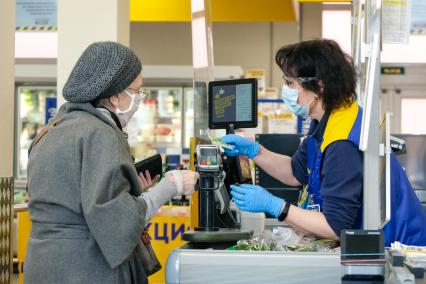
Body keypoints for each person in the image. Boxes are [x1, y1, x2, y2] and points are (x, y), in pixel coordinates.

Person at [25, 41, 199, 284]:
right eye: (137, 91)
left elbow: (76, 198)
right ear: (116, 95)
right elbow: (117, 223)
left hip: (42, 264)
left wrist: (130, 190)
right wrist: (171, 185)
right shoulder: (101, 133)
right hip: (86, 267)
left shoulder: (50, 130)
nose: (139, 99)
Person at [222, 39, 426, 246]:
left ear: (319, 86)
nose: (287, 90)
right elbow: (295, 172)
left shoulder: (342, 142)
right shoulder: (332, 118)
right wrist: (256, 151)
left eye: (290, 83)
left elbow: (334, 226)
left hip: (397, 251)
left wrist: (275, 206)